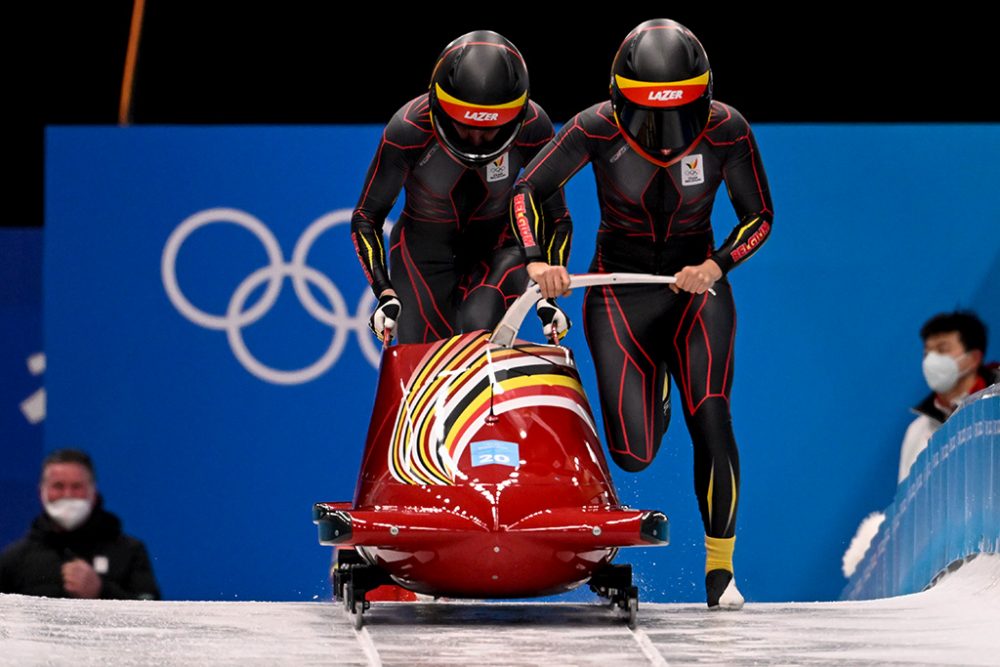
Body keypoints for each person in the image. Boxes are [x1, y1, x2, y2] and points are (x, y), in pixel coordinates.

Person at [510, 19, 773, 610]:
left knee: (711, 414)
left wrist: (718, 265)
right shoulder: (594, 127)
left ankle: (721, 572)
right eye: (649, 116)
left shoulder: (728, 130)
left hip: (694, 292)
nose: (662, 134)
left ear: (702, 98)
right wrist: (535, 260)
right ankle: (651, 386)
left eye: (678, 115)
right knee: (633, 453)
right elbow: (526, 191)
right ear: (619, 98)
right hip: (620, 292)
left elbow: (759, 217)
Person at [352, 30, 572, 345]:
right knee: (424, 362)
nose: (476, 139)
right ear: (440, 108)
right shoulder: (408, 130)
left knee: (477, 331)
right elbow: (366, 216)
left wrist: (546, 297)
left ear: (515, 116)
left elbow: (556, 217)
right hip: (423, 254)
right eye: (465, 126)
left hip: (498, 250)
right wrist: (384, 290)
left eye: (491, 129)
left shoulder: (534, 128)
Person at [0, 448, 160, 600]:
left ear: (94, 492)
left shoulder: (130, 551)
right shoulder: (15, 559)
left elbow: (151, 613)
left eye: (77, 487)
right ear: (41, 492)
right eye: (58, 486)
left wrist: (101, 590)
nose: (68, 495)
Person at [898, 310, 998, 483]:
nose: (931, 361)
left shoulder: (995, 410)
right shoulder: (917, 431)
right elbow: (907, 505)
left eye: (942, 350)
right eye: (927, 353)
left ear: (973, 358)